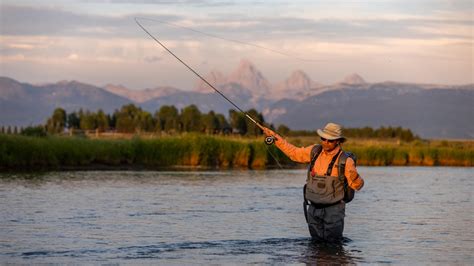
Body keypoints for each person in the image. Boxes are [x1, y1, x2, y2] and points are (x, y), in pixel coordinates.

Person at [262, 122, 364, 242]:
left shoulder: (346, 161)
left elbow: (358, 186)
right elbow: (294, 153)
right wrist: (274, 137)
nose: (326, 142)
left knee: (333, 246)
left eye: (330, 140)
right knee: (315, 247)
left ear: (338, 141)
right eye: (323, 138)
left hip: (334, 211)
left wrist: (354, 175)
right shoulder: (314, 151)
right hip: (313, 209)